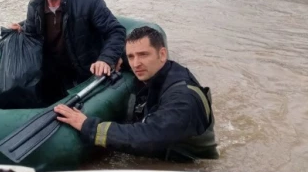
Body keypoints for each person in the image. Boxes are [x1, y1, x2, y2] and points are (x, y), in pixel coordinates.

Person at [54, 26, 219, 162]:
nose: (136, 64)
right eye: (131, 57)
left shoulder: (183, 99)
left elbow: (147, 137)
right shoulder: (158, 71)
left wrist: (88, 126)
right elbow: (130, 60)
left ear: (162, 54)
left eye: (143, 55)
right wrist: (111, 59)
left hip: (190, 167)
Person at [10, 0, 126, 105]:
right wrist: (21, 31)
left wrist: (106, 59)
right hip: (54, 70)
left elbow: (116, 31)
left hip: (85, 69)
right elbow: (32, 36)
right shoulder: (34, 7)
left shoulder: (89, 1)